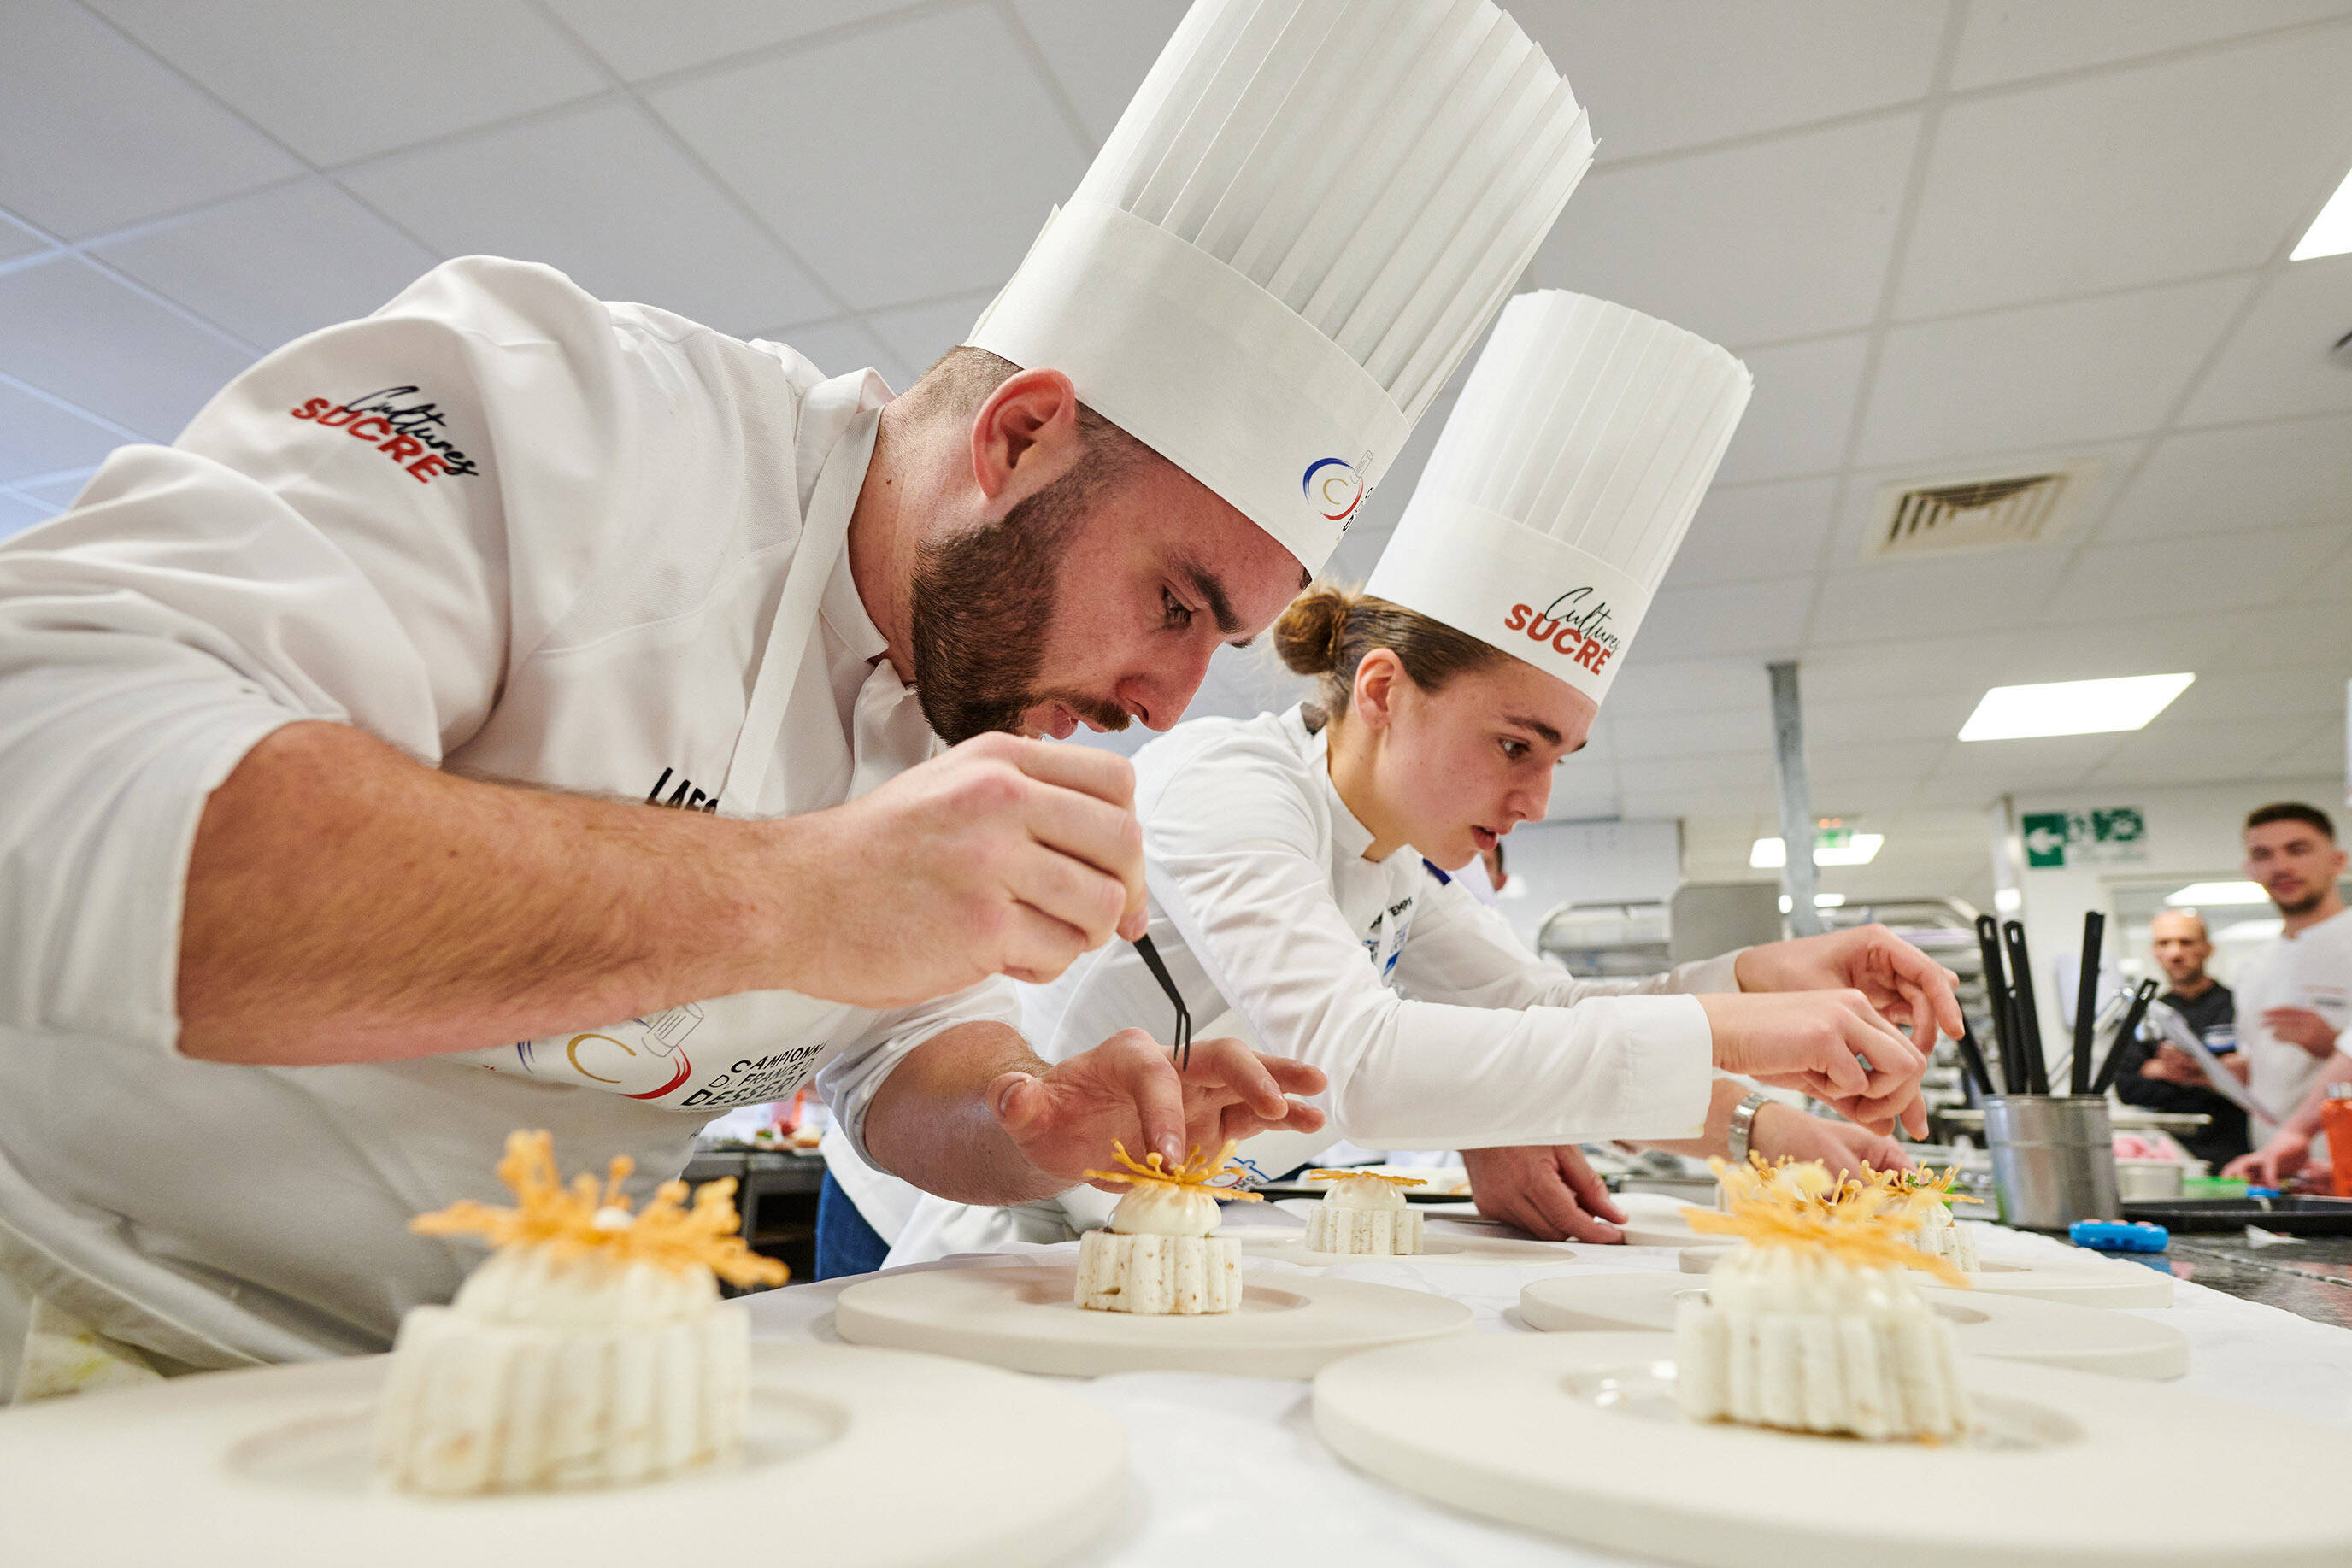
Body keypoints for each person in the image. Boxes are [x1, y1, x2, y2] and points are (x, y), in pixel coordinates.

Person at [0, 0, 1599, 1390]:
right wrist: (786, 895)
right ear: (1020, 434)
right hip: (81, 1321)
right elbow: (52, 785)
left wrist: (1034, 1120)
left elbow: (900, 1059)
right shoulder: (574, 417)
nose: (1169, 703)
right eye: (1174, 602)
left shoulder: (969, 711)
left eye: (1220, 641)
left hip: (500, 1376)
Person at [866, 293, 1949, 1262]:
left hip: (1183, 1240)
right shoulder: (1225, 786)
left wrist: (1765, 988)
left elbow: (1549, 1012)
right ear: (1381, 690)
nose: (1533, 802)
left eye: (1557, 759)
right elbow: (1361, 1061)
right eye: (1514, 744)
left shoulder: (1386, 869)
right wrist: (1741, 1037)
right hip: (1015, 1237)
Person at [2221, 804, 2351, 1186]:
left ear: (2337, 861)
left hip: (2339, 1163)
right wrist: (2211, 1074)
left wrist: (2332, 1044)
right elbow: (2261, 1071)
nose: (2280, 866)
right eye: (2263, 855)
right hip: (2275, 1167)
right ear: (2250, 870)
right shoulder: (2253, 965)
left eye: (2297, 850)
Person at [2109, 909, 2249, 1169]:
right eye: (2164, 943)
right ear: (2154, 951)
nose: (2175, 953)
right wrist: (2211, 1075)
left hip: (2238, 1151)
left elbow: (2249, 1083)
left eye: (2186, 942)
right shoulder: (2147, 1013)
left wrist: (2163, 1071)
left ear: (2207, 948)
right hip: (2170, 1156)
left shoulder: (2238, 1006)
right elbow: (2127, 1087)